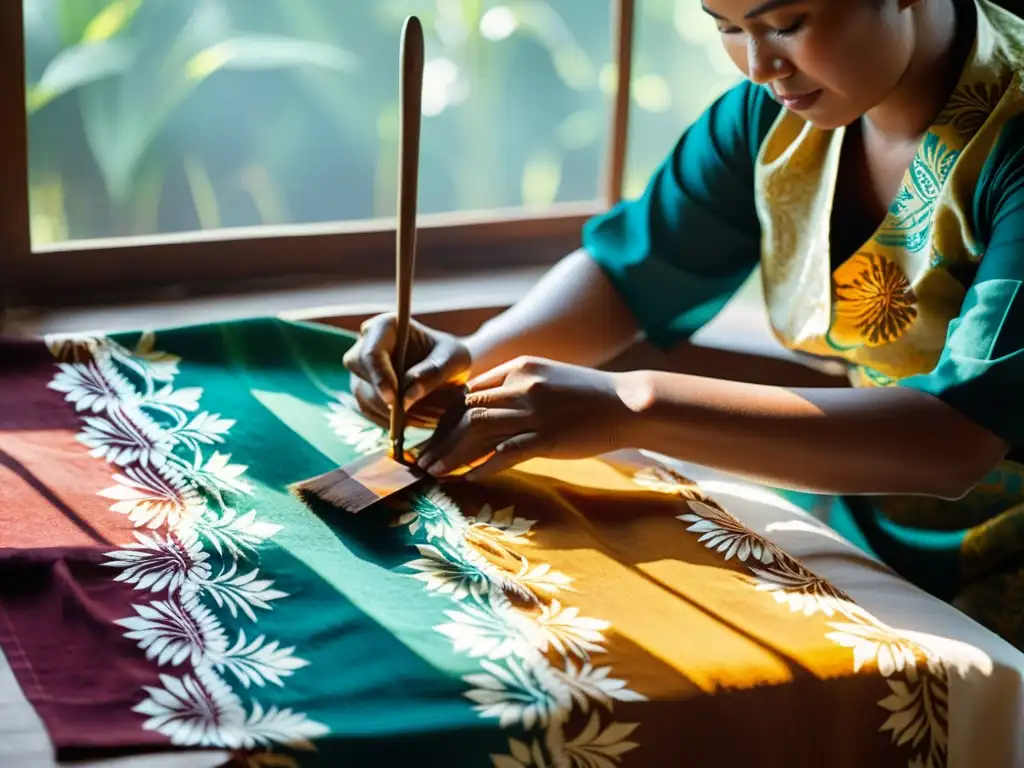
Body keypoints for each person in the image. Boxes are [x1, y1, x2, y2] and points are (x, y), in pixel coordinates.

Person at [344, 0, 1024, 649]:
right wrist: (469, 357)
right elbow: (635, 267)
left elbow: (956, 438)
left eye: (785, 23)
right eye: (725, 27)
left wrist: (631, 406)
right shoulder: (773, 119)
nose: (757, 65)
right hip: (869, 516)